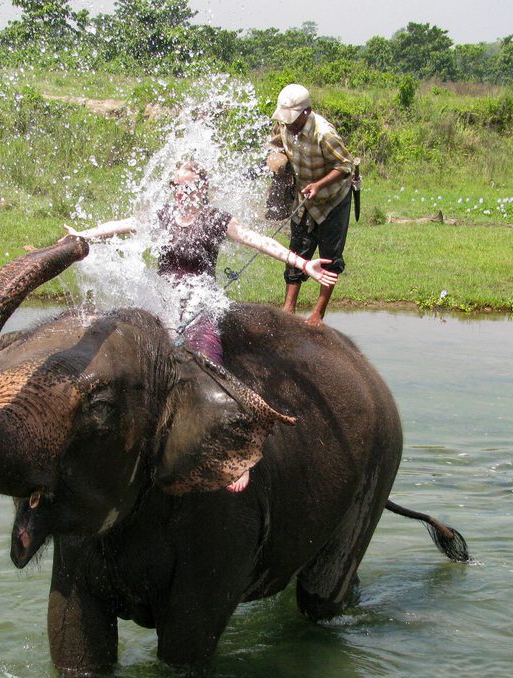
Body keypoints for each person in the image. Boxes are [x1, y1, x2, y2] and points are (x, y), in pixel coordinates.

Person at [62, 160, 338, 492]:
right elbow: (122, 226)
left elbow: (261, 242)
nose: (180, 192)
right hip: (163, 302)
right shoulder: (163, 216)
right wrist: (82, 236)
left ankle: (234, 457)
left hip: (201, 303)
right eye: (176, 186)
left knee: (210, 368)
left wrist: (304, 264)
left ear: (201, 188)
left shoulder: (216, 220)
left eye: (187, 186)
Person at [267, 83, 355, 326]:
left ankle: (318, 312)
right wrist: (277, 157)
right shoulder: (285, 125)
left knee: (330, 256)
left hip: (332, 199)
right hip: (304, 198)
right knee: (296, 251)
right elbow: (275, 143)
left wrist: (319, 185)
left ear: (307, 111)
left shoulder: (324, 133)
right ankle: (288, 308)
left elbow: (345, 166)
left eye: (294, 120)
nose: (289, 125)